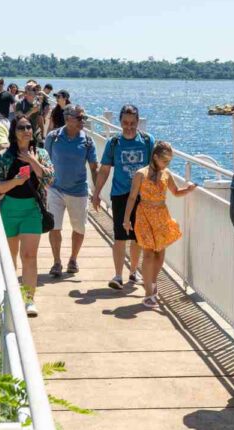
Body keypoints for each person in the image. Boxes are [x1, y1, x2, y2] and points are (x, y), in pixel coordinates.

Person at [0, 113, 54, 317]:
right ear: (14, 132)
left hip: (32, 210)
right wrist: (16, 182)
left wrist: (32, 161)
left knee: (29, 256)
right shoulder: (4, 156)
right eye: (21, 127)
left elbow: (49, 179)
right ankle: (10, 295)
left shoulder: (41, 154)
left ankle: (29, 300)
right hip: (9, 209)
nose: (26, 130)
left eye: (29, 127)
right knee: (10, 257)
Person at [122, 141, 196, 307]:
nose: (167, 164)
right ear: (155, 157)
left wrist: (188, 189)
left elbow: (175, 192)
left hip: (161, 215)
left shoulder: (166, 173)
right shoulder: (141, 174)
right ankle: (148, 292)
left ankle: (153, 282)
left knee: (160, 253)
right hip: (144, 215)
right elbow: (132, 197)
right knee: (148, 253)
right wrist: (126, 219)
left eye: (169, 161)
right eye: (164, 160)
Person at [91, 104, 155, 289]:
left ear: (138, 122)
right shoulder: (114, 143)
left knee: (138, 237)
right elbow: (104, 170)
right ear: (120, 122)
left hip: (142, 196)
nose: (129, 127)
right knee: (119, 236)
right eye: (125, 123)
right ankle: (118, 275)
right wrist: (96, 193)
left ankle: (133, 272)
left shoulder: (147, 140)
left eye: (132, 123)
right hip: (120, 194)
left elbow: (155, 168)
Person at [44, 105, 98, 277]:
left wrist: (97, 193)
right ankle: (56, 262)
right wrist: (42, 185)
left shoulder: (87, 141)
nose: (83, 121)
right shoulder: (53, 137)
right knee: (54, 227)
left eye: (84, 118)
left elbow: (94, 168)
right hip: (55, 188)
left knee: (79, 228)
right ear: (68, 119)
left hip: (78, 190)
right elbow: (45, 161)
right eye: (80, 118)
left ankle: (73, 259)